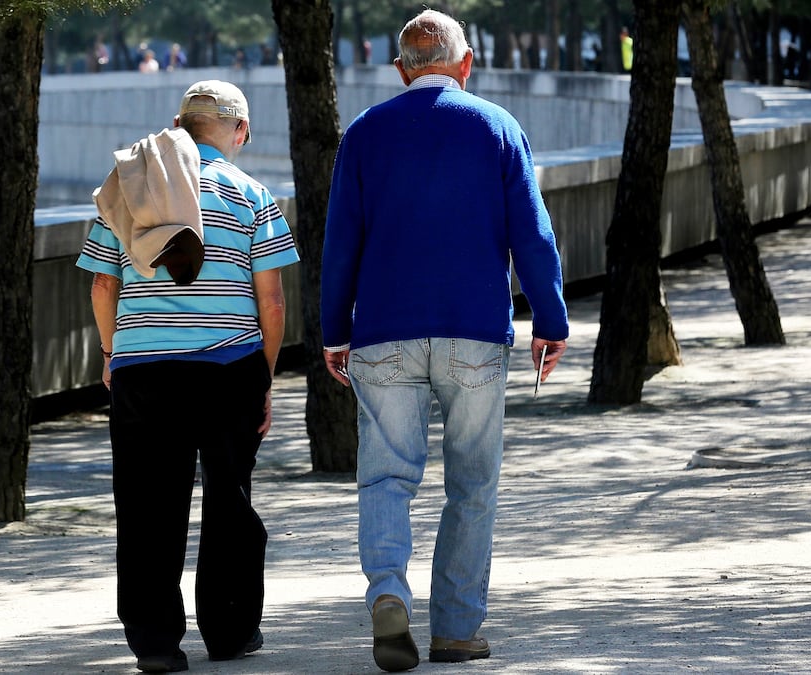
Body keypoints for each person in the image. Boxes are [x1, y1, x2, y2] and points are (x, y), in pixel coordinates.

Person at [321, 9, 569, 673]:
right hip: (475, 332)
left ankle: (389, 594)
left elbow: (341, 241)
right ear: (466, 64)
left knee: (385, 476)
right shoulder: (496, 127)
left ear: (401, 69)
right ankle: (457, 629)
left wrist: (333, 330)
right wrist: (551, 318)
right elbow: (532, 235)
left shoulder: (365, 133)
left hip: (382, 333)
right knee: (472, 483)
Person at [75, 80, 300, 673]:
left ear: (179, 123)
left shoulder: (129, 189)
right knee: (230, 502)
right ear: (239, 131)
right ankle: (228, 633)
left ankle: (154, 643)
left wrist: (111, 352)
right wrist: (266, 376)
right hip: (230, 369)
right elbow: (272, 303)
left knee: (148, 506)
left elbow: (102, 284)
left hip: (143, 372)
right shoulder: (253, 196)